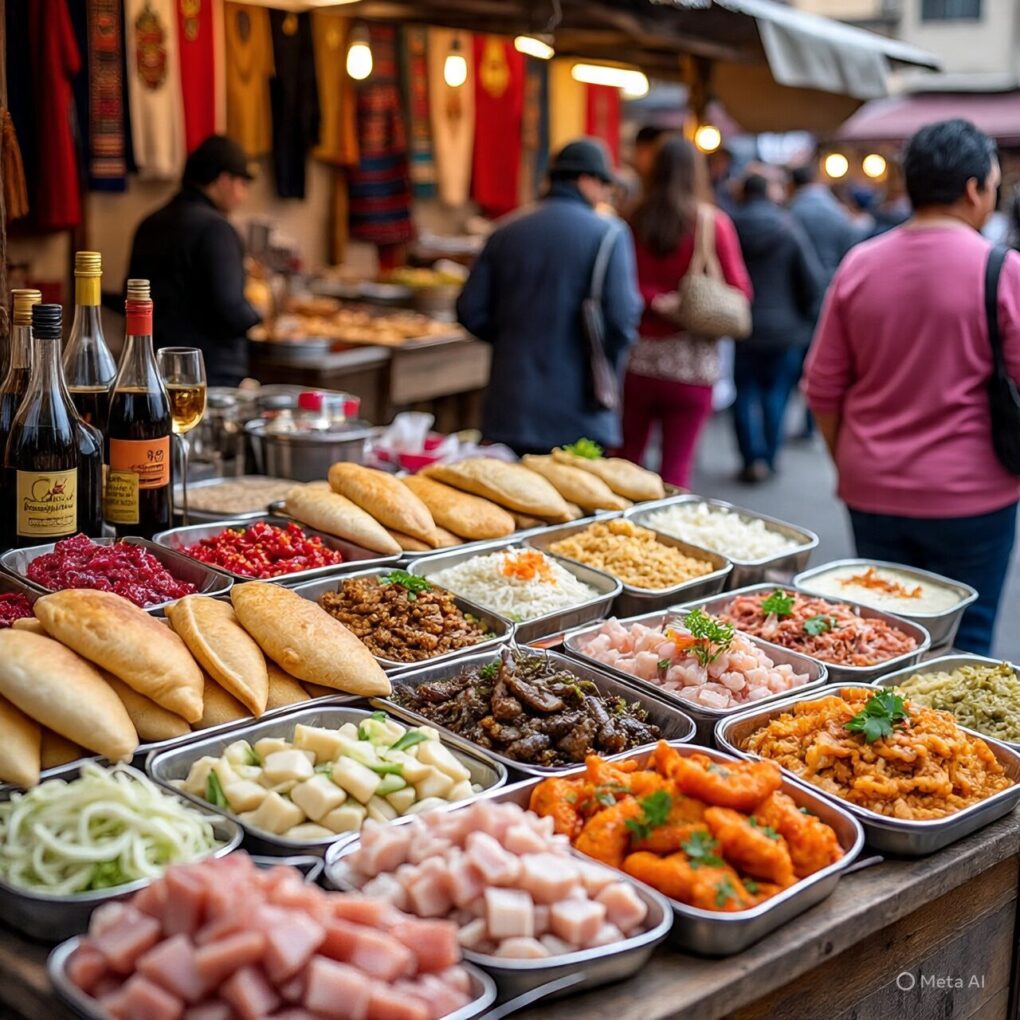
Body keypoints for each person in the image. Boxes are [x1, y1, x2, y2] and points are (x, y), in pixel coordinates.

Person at [804, 119, 1020, 655]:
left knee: (883, 639)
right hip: (975, 496)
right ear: (974, 189)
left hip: (873, 487)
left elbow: (822, 387)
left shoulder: (861, 263)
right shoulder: (1002, 270)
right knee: (966, 643)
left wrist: (850, 459)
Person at [456, 139, 641, 455]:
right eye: (604, 185)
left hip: (510, 404)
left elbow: (469, 311)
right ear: (585, 180)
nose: (606, 195)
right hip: (580, 408)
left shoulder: (504, 231)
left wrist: (514, 338)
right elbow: (622, 322)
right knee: (577, 501)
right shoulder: (610, 235)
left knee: (509, 499)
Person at [619, 136, 752, 487]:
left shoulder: (631, 217)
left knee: (625, 465)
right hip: (691, 365)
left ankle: (612, 537)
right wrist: (687, 303)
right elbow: (741, 291)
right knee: (676, 472)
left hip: (637, 360)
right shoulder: (712, 223)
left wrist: (653, 299)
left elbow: (620, 284)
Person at [127, 135, 261, 386]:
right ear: (223, 180)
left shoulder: (149, 222)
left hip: (153, 367)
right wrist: (259, 317)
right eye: (242, 184)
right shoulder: (215, 228)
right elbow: (231, 308)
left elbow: (133, 295)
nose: (243, 195)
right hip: (209, 373)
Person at [731, 173, 824, 482]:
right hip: (785, 329)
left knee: (743, 391)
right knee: (777, 394)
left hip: (743, 324)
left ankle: (750, 457)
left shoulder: (732, 226)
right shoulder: (787, 228)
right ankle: (768, 457)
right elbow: (810, 280)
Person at [787, 163, 857, 438]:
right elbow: (848, 257)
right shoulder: (838, 214)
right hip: (829, 294)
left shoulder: (792, 213)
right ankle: (811, 423)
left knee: (800, 365)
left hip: (794, 299)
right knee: (823, 362)